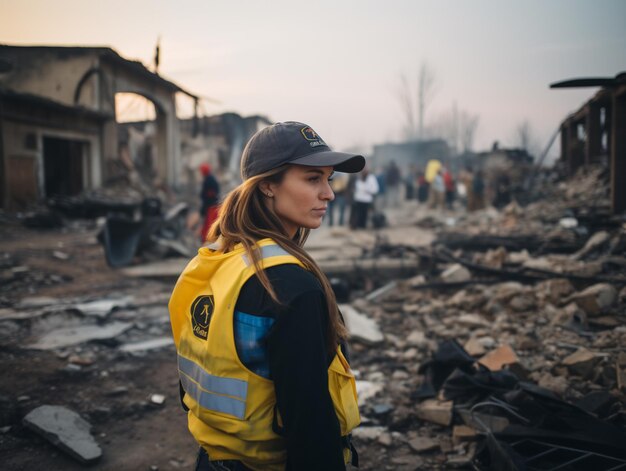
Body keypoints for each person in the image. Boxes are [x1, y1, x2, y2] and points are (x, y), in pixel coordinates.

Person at [169, 121, 363, 471]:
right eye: (312, 178)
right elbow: (309, 426)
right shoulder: (291, 287)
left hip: (213, 459)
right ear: (269, 185)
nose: (329, 194)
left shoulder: (215, 261)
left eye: (328, 179)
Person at [199, 163, 220, 242]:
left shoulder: (208, 181)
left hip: (211, 207)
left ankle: (208, 240)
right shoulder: (211, 179)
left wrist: (203, 209)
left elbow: (206, 196)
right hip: (212, 206)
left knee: (209, 225)